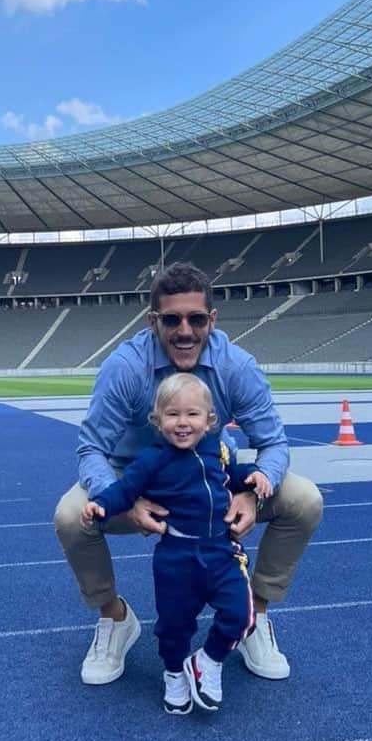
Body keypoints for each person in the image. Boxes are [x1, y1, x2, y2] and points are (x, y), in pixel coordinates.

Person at [55, 261, 324, 686]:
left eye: (196, 319)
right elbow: (91, 448)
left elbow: (274, 443)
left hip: (211, 474)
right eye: (172, 319)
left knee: (305, 500)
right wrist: (127, 497)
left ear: (212, 320)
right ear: (152, 321)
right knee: (71, 518)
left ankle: (255, 614)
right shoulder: (125, 368)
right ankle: (115, 617)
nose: (184, 330)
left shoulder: (237, 367)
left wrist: (252, 495)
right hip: (134, 475)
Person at [82, 373, 266, 713]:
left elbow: (230, 477)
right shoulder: (152, 459)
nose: (183, 423)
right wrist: (101, 504)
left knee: (242, 616)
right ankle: (173, 673)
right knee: (173, 624)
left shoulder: (218, 449)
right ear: (157, 420)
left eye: (192, 414)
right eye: (173, 414)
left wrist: (255, 475)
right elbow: (125, 490)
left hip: (222, 551)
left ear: (210, 421)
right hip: (176, 556)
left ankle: (208, 662)